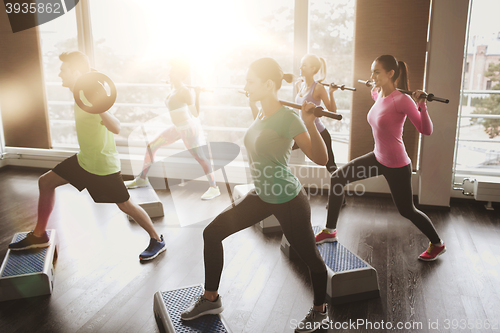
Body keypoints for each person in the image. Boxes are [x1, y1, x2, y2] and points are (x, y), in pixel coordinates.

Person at [180, 58, 330, 332]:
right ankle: (211, 298)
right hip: (262, 194)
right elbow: (264, 139)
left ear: (269, 84)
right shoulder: (262, 114)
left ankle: (320, 311)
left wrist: (310, 122)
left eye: (250, 82)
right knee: (212, 233)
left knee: (310, 258)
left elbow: (321, 158)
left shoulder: (289, 118)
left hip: (287, 198)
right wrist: (254, 101)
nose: (245, 86)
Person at [8, 51, 166, 261]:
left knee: (125, 205)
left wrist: (99, 107)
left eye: (63, 70)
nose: (59, 75)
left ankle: (157, 240)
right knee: (45, 182)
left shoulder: (91, 94)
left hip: (102, 166)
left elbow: (116, 127)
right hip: (84, 160)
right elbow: (89, 73)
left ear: (75, 72)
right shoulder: (81, 89)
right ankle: (39, 235)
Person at [314, 55, 446, 262]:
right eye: (372, 71)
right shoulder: (379, 95)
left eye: (376, 72)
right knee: (338, 178)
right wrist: (374, 87)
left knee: (407, 210)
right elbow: (378, 99)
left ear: (391, 73)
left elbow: (425, 129)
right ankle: (330, 230)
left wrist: (422, 104)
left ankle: (437, 244)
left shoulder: (403, 100)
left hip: (397, 165)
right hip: (378, 157)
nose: (372, 76)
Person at [124, 58, 220, 200]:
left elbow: (195, 114)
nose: (169, 73)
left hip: (188, 129)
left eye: (172, 71)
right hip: (176, 128)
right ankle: (142, 178)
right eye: (170, 70)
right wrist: (173, 82)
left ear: (179, 74)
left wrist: (197, 94)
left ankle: (214, 187)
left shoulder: (185, 91)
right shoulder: (174, 87)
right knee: (151, 146)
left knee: (200, 157)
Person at [295, 54, 339, 174]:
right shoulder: (300, 85)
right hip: (303, 131)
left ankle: (340, 187)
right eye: (301, 64)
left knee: (331, 167)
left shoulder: (318, 88)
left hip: (319, 133)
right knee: (282, 147)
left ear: (313, 69)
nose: (300, 67)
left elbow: (332, 112)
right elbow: (300, 108)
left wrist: (331, 93)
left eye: (304, 65)